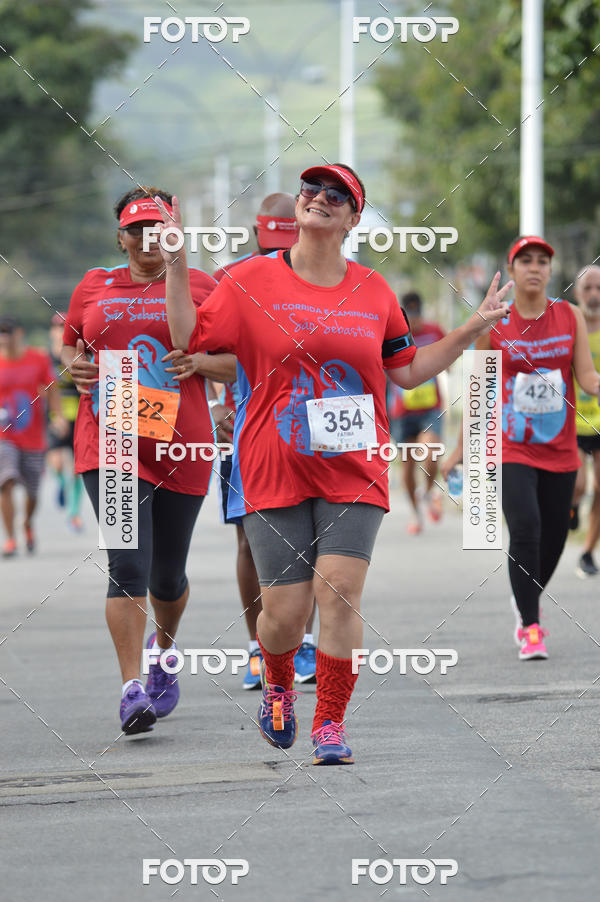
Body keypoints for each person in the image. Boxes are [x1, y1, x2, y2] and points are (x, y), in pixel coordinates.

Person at [159, 163, 512, 764]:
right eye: (311, 190)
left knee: (340, 593)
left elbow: (406, 370)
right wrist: (174, 261)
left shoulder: (373, 292)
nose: (319, 199)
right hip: (273, 462)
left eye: (336, 195)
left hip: (354, 465)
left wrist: (473, 326)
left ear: (352, 219)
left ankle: (328, 724)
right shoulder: (247, 281)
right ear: (298, 207)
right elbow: (188, 337)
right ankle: (276, 682)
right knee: (284, 614)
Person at [61, 187, 236, 735]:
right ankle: (131, 689)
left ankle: (165, 648)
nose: (146, 239)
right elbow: (71, 344)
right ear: (121, 237)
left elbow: (238, 360)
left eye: (157, 227)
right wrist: (74, 366)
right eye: (136, 229)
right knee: (127, 565)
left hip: (182, 443)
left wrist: (202, 362)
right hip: (109, 440)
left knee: (167, 575)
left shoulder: (204, 286)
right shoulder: (94, 285)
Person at [443, 236, 600, 660]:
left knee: (554, 538)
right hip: (512, 445)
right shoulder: (497, 322)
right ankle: (531, 626)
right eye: (525, 260)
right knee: (526, 527)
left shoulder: (568, 316)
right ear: (511, 270)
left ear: (550, 271)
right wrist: (462, 448)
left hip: (561, 448)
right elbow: (479, 387)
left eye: (543, 261)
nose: (535, 267)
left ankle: (524, 597)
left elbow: (586, 379)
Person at [212, 193, 317, 690]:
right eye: (271, 240)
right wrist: (218, 403)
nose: (278, 249)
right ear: (255, 233)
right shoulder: (235, 279)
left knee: (318, 539)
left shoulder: (328, 275)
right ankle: (260, 643)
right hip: (247, 431)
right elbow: (203, 351)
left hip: (308, 427)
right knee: (250, 543)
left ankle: (306, 643)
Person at [0, 315, 67, 556]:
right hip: (4, 436)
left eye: (8, 331)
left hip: (33, 436)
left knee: (33, 492)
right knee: (5, 482)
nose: (4, 337)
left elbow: (51, 388)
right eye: (0, 333)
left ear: (19, 333)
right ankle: (10, 539)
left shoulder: (37, 358)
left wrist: (57, 416)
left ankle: (27, 523)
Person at [387, 291, 446, 533]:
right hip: (401, 411)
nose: (416, 322)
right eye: (410, 317)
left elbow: (449, 357)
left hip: (430, 408)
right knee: (408, 467)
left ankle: (429, 492)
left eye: (418, 315)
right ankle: (415, 513)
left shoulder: (434, 331)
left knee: (431, 452)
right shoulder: (391, 333)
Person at [571, 266, 600, 577]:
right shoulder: (568, 324)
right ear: (577, 292)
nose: (594, 295)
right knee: (578, 483)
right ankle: (572, 506)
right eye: (588, 288)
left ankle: (588, 552)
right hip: (572, 419)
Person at [47, 311, 84, 531]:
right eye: (58, 328)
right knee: (58, 462)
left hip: (78, 414)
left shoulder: (76, 353)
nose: (61, 332)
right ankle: (61, 485)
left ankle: (74, 513)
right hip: (54, 415)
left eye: (65, 328)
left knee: (77, 468)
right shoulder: (45, 357)